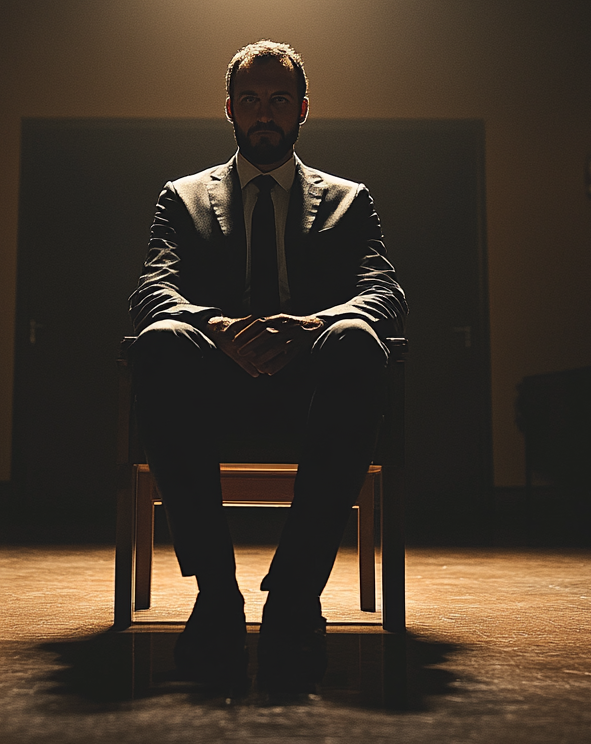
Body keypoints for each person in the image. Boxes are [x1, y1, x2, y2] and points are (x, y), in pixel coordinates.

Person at [127, 40, 406, 696]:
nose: (264, 114)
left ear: (303, 109)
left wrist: (314, 328)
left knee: (360, 340)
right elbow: (150, 290)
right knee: (162, 336)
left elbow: (385, 293)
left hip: (314, 388)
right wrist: (216, 327)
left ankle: (295, 594)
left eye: (278, 100)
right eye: (250, 100)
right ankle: (217, 593)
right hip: (213, 387)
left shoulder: (350, 201)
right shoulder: (182, 198)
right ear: (229, 109)